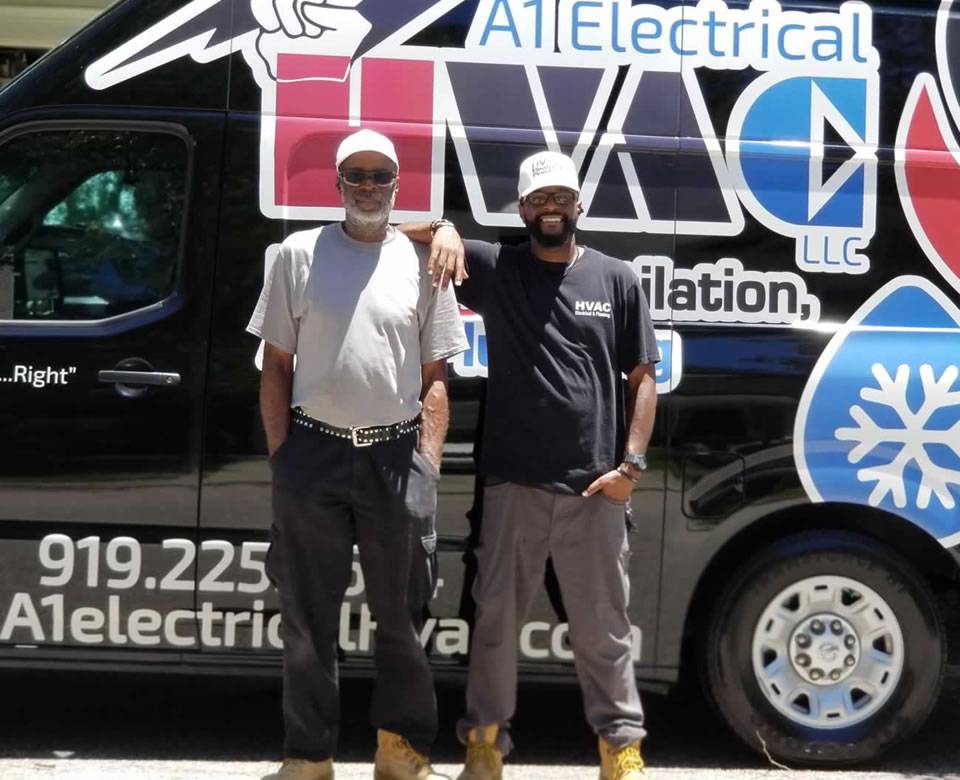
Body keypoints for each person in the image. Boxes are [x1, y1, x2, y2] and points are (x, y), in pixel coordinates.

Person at [401, 151, 659, 780]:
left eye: (561, 197)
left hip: (595, 488)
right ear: (522, 209)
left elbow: (643, 377)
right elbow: (391, 227)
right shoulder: (499, 266)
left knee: (604, 631)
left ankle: (620, 750)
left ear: (579, 205)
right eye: (539, 199)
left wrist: (630, 465)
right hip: (512, 482)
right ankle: (485, 746)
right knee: (493, 624)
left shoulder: (617, 278)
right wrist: (447, 229)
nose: (551, 207)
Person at [248, 128, 468, 780]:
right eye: (356, 176)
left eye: (380, 176)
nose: (368, 186)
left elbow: (434, 377)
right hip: (311, 454)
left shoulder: (425, 264)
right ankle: (308, 756)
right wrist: (283, 454)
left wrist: (427, 461)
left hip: (396, 457)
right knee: (308, 618)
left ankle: (400, 751)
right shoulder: (296, 255)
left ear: (397, 184)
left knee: (401, 614)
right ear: (338, 183)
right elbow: (275, 366)